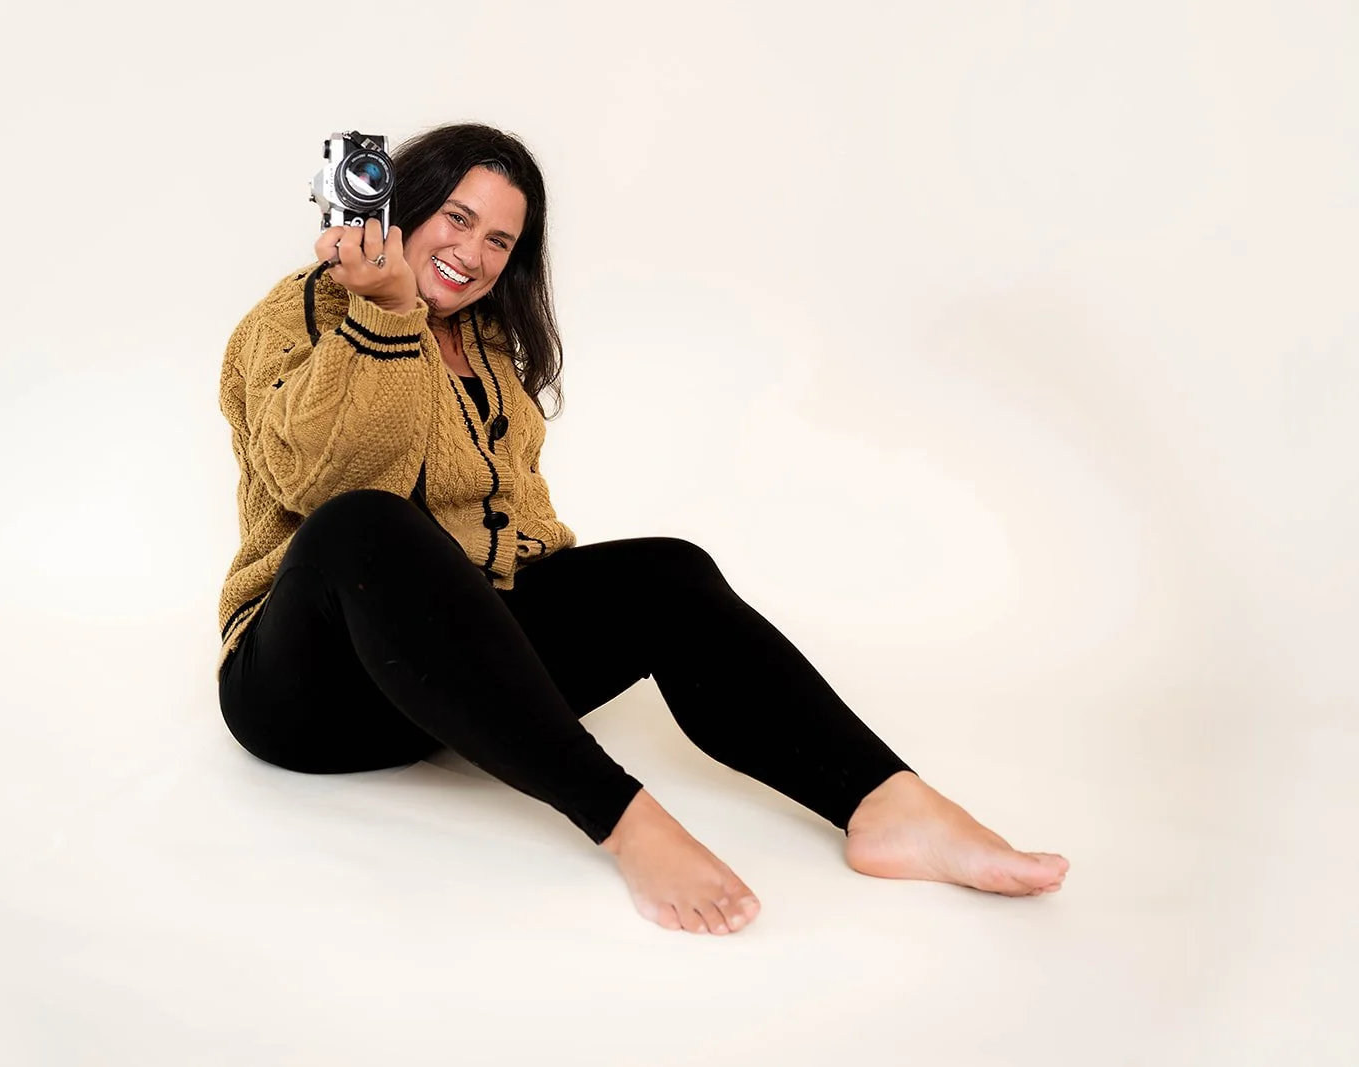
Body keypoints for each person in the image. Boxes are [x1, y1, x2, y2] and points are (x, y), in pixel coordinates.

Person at [215, 123, 1069, 936]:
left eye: (500, 243)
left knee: (668, 570)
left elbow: (517, 525)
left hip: (434, 688)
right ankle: (628, 822)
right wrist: (386, 313)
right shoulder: (293, 317)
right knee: (367, 523)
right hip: (304, 692)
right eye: (458, 219)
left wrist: (563, 623)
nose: (472, 255)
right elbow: (320, 484)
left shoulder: (483, 341)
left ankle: (885, 803)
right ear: (402, 205)